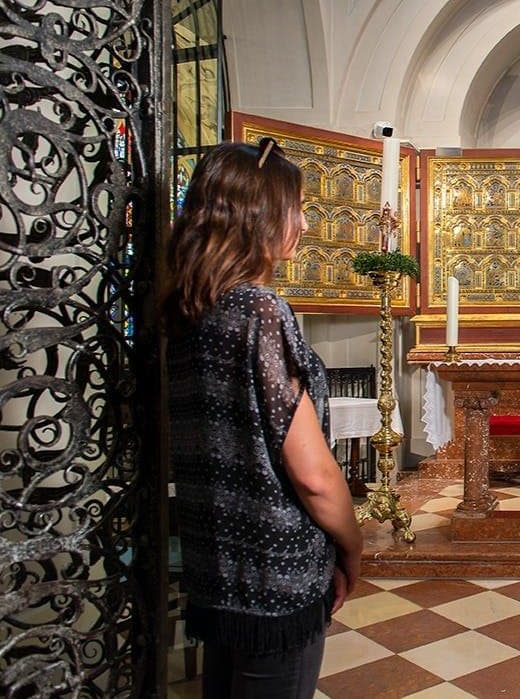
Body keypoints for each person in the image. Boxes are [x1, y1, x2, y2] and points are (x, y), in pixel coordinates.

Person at [162, 138, 363, 698]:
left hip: (215, 564)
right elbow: (313, 475)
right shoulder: (258, 308)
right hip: (275, 577)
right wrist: (353, 545)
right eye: (293, 206)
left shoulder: (186, 308)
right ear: (259, 216)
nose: (302, 220)